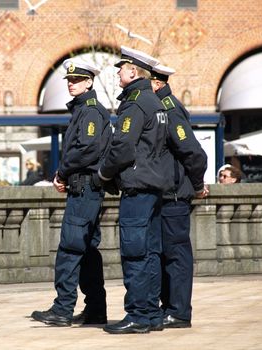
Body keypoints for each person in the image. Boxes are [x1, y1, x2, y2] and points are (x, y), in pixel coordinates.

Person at [31, 59, 112, 326]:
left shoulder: (90, 111)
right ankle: (95, 310)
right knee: (87, 250)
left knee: (70, 248)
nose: (71, 84)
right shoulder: (84, 110)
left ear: (89, 82)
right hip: (85, 187)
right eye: (69, 80)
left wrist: (62, 172)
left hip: (84, 187)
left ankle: (62, 309)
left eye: (76, 80)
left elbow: (86, 149)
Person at [97, 47, 168, 334]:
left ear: (133, 71)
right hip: (154, 185)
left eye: (121, 68)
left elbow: (123, 146)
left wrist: (104, 172)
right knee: (151, 251)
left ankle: (137, 314)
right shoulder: (156, 103)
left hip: (137, 187)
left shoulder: (135, 103)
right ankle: (150, 313)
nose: (117, 73)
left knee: (135, 252)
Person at [150, 63, 209, 329]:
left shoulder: (170, 110)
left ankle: (179, 311)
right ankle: (170, 307)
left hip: (175, 195)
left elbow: (193, 153)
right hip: (165, 194)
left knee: (176, 256)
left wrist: (197, 185)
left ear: (158, 84)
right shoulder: (161, 108)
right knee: (165, 255)